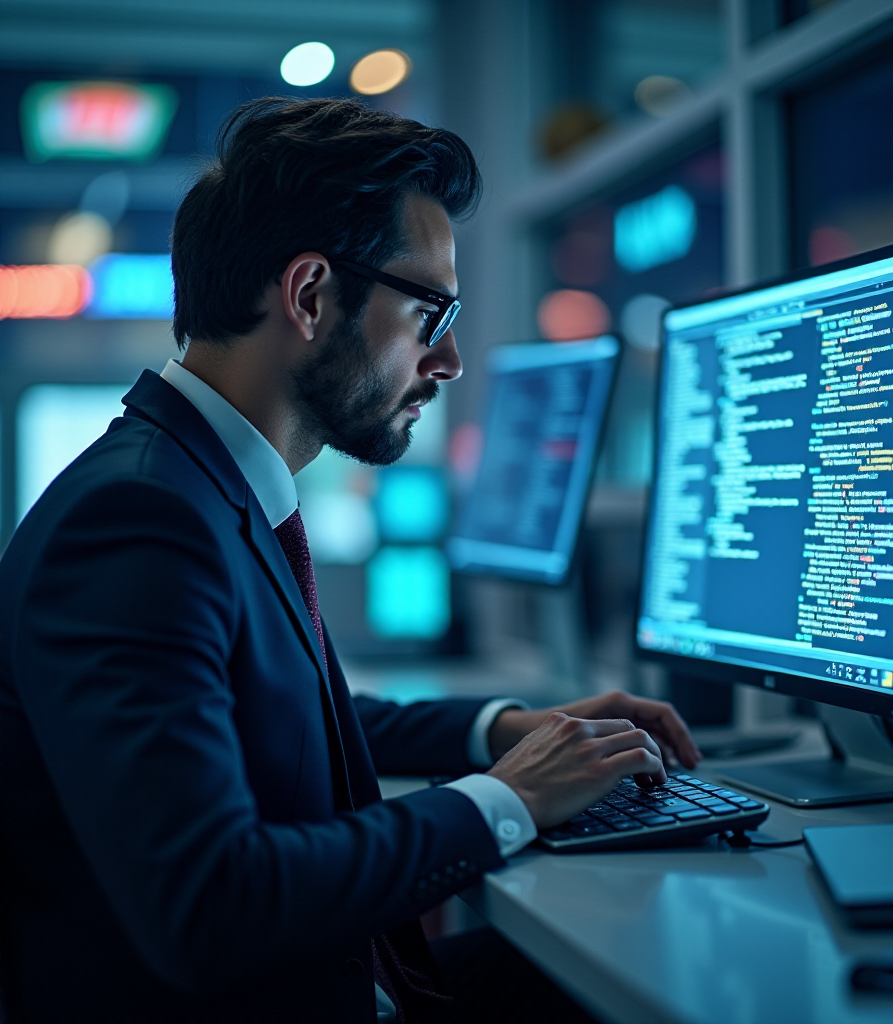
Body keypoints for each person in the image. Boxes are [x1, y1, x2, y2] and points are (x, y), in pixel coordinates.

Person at [0, 97, 700, 1024]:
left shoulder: (198, 486)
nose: (447, 360)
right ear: (310, 296)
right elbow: (210, 906)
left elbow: (290, 715)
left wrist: (505, 729)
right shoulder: (139, 522)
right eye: (429, 311)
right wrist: (509, 798)